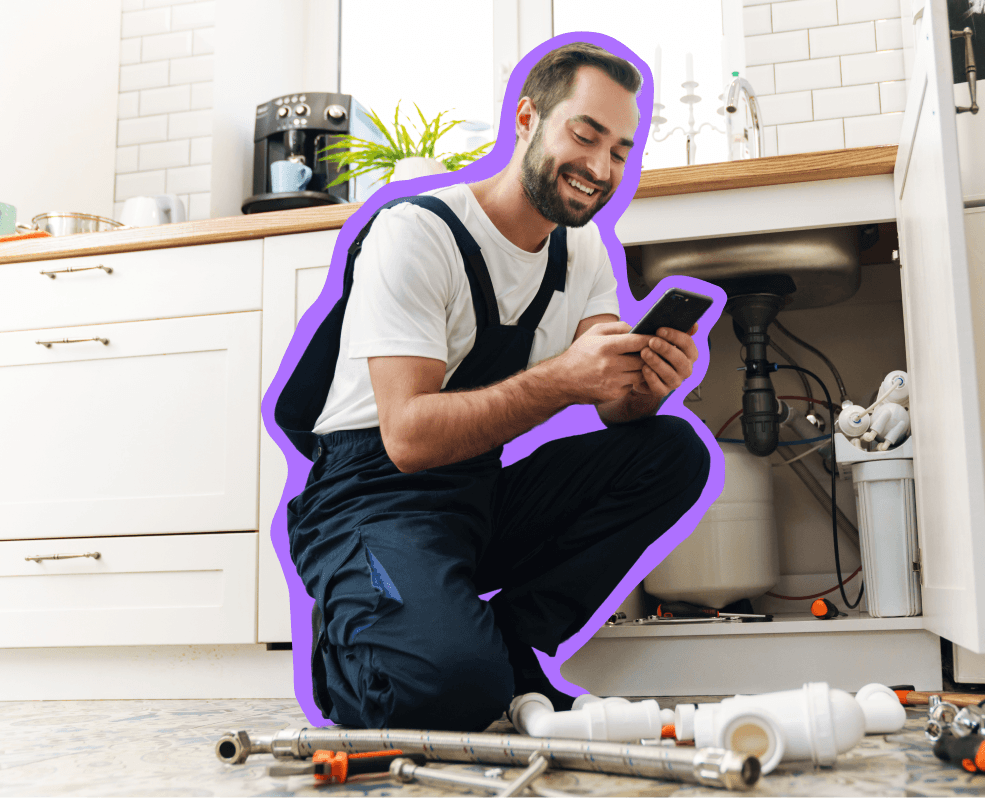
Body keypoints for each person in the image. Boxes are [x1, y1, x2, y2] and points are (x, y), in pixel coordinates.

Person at [274, 42, 712, 732]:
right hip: (369, 498)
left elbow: (612, 404)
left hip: (475, 494)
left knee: (672, 449)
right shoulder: (417, 233)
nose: (601, 169)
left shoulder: (583, 249)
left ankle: (511, 634)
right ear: (528, 118)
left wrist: (647, 385)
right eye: (585, 135)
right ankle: (357, 639)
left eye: (621, 151)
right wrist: (561, 380)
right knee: (447, 692)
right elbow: (410, 437)